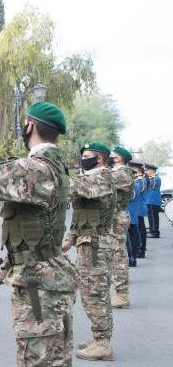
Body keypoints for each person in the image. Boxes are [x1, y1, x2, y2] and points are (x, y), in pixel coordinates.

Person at [0, 101, 77, 367]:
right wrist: (6, 267)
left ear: (30, 126)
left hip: (37, 287)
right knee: (55, 357)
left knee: (38, 360)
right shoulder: (58, 165)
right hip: (48, 276)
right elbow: (38, 231)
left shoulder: (35, 168)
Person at [62, 141, 116, 361]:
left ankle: (103, 344)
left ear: (100, 159)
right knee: (89, 291)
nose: (83, 159)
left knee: (95, 293)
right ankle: (99, 337)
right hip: (87, 242)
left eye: (86, 155)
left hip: (97, 245)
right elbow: (80, 213)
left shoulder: (103, 178)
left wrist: (55, 176)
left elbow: (76, 187)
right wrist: (70, 239)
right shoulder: (90, 179)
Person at [107, 146, 135, 309]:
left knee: (118, 255)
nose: (108, 158)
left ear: (118, 159)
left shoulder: (121, 173)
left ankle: (122, 294)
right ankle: (118, 293)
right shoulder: (118, 172)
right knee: (114, 254)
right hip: (114, 217)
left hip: (117, 217)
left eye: (111, 156)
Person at [127, 162, 147, 266]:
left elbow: (132, 195)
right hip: (132, 211)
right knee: (133, 234)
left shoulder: (137, 183)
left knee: (133, 235)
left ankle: (133, 257)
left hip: (132, 211)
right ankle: (135, 254)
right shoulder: (136, 182)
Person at [144, 164, 162, 238]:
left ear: (152, 171)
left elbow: (148, 185)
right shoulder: (152, 178)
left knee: (153, 217)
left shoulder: (155, 178)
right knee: (151, 217)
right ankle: (152, 229)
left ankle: (155, 232)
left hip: (153, 201)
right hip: (150, 200)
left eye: (147, 170)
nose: (146, 172)